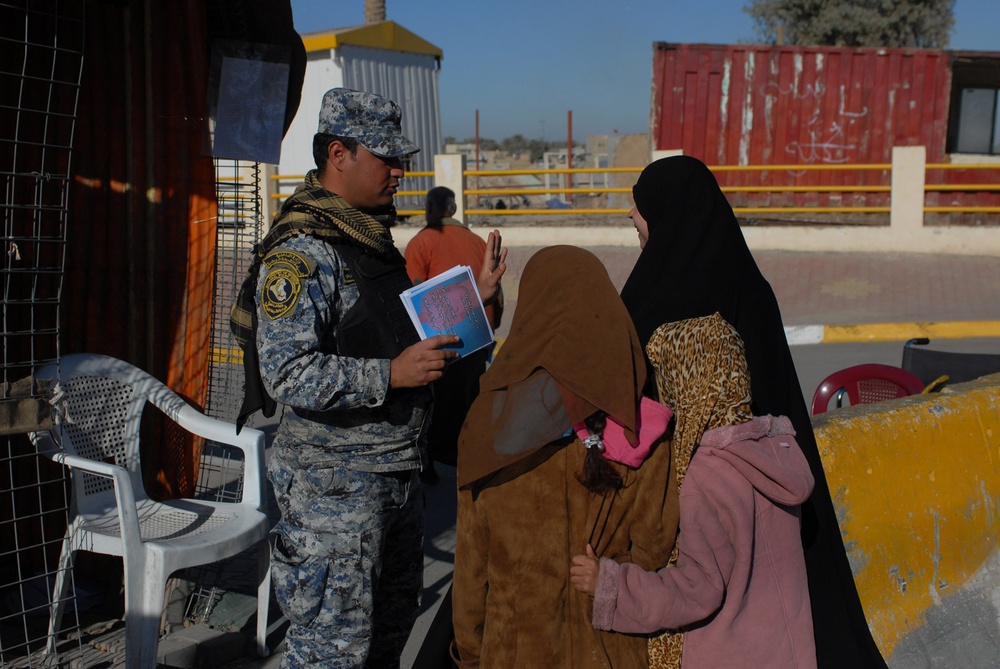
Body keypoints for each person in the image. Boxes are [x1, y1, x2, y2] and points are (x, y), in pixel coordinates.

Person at [232, 88, 505, 667]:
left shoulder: (368, 239)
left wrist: (474, 298)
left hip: (393, 476)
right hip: (334, 491)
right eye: (386, 158)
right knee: (332, 653)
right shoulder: (303, 252)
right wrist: (390, 375)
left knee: (387, 636)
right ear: (339, 154)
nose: (399, 172)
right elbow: (286, 371)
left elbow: (403, 337)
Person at [618, 155, 887, 668]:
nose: (634, 220)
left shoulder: (655, 295)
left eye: (640, 211)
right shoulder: (748, 285)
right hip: (766, 488)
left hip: (684, 498)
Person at [451, 245, 680, 668]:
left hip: (514, 651)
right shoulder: (638, 425)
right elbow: (653, 549)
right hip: (611, 650)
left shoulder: (488, 426)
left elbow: (471, 575)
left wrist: (469, 656)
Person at [571, 313, 817, 669]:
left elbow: (697, 589)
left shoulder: (706, 473)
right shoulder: (777, 448)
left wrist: (612, 586)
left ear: (687, 384)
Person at [404, 186, 503, 484]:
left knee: (434, 405)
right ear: (454, 208)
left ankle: (431, 462)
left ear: (429, 209)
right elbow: (497, 292)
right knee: (469, 401)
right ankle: (471, 462)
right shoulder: (476, 241)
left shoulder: (421, 242)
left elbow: (413, 296)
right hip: (478, 333)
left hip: (441, 340)